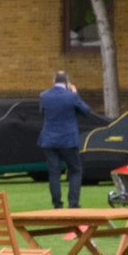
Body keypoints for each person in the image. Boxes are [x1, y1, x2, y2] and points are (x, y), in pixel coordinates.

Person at [37, 71, 88, 207]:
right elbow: (86, 111)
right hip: (68, 140)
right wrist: (75, 93)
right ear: (67, 82)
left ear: (53, 81)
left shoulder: (44, 96)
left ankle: (57, 204)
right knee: (75, 170)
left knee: (54, 173)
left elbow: (42, 113)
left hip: (49, 140)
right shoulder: (71, 97)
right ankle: (73, 203)